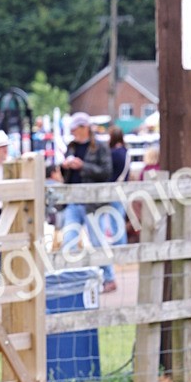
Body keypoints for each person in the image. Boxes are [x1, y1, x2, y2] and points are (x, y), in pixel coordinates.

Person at [59, 111, 120, 293]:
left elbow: (106, 171)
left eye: (75, 128)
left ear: (84, 128)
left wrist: (83, 166)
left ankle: (109, 278)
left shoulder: (100, 147)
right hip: (72, 200)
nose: (73, 132)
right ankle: (69, 280)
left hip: (92, 202)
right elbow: (67, 177)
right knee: (68, 241)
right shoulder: (70, 147)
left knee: (97, 241)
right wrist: (66, 167)